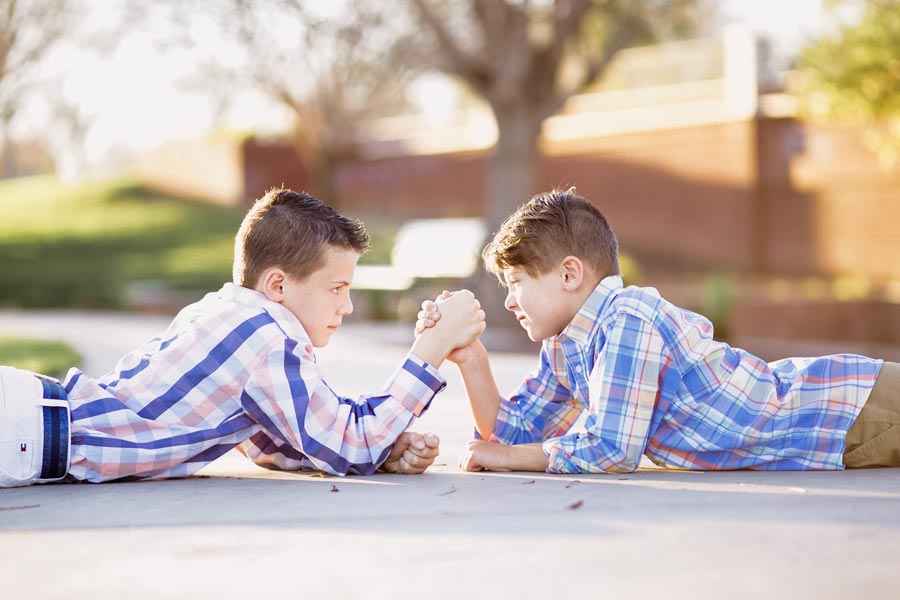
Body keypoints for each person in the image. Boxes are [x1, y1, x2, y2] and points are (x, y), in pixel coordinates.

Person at [0, 188, 485, 488]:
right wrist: (433, 347)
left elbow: (269, 443)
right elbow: (348, 443)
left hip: (30, 416)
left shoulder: (227, 310)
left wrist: (386, 446)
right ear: (277, 285)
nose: (348, 306)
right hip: (25, 433)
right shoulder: (270, 337)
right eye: (336, 289)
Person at [418, 188, 900, 474]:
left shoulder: (629, 320)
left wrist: (506, 461)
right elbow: (513, 434)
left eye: (517, 282)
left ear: (569, 275)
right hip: (839, 426)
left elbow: (610, 450)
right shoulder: (566, 344)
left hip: (847, 409)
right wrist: (472, 359)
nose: (508, 299)